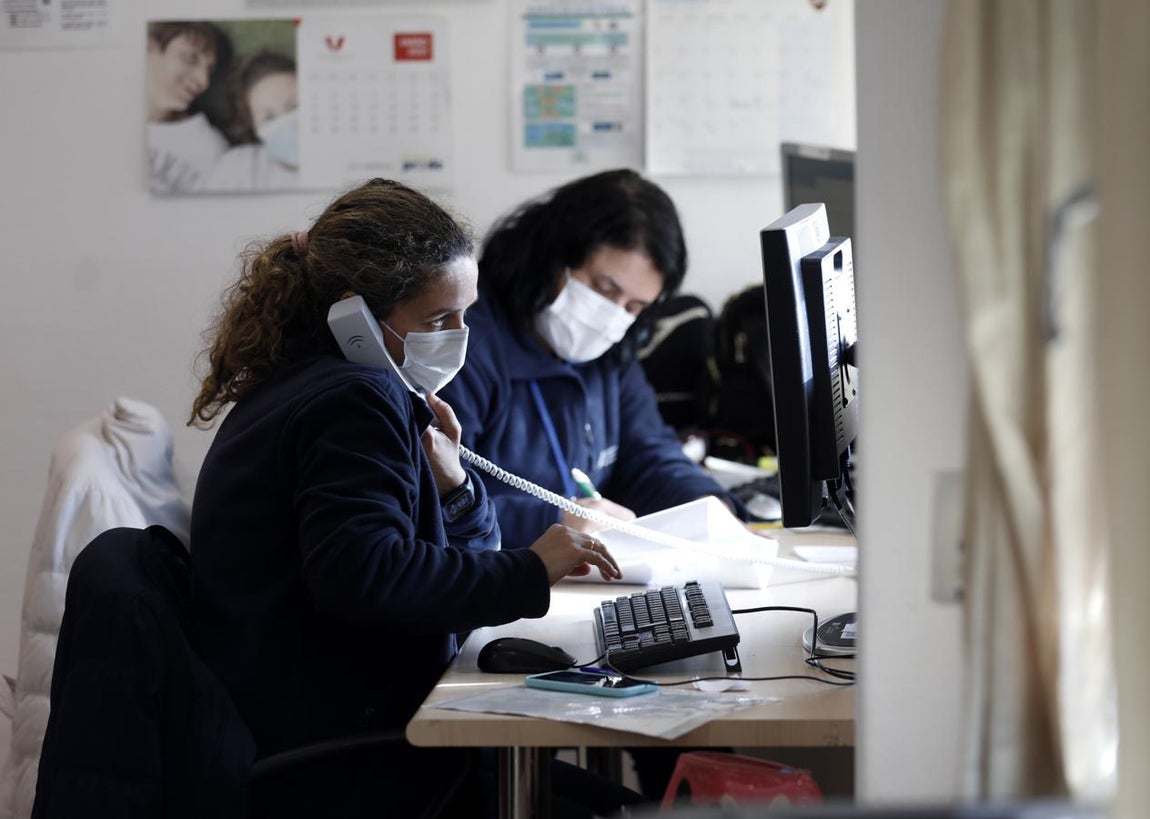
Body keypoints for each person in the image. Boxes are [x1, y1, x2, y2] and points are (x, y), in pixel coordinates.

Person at [187, 178, 643, 819]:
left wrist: (456, 487)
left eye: (467, 314)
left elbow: (428, 559)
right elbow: (363, 575)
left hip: (340, 728)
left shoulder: (307, 384)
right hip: (347, 762)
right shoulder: (350, 402)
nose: (460, 335)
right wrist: (531, 567)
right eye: (437, 319)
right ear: (353, 319)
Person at [437, 168, 746, 798]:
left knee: (698, 688)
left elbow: (651, 455)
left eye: (635, 307)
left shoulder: (608, 355)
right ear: (555, 257)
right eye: (605, 290)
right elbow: (439, 505)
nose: (613, 317)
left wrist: (723, 518)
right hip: (495, 614)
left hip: (582, 603)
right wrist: (559, 524)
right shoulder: (470, 347)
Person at [146, 21, 233, 193]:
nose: (204, 81)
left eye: (210, 71)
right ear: (150, 47)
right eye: (192, 58)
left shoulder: (208, 148)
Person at [200, 50, 300, 192]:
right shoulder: (237, 167)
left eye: (294, 106)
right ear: (253, 125)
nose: (284, 121)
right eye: (268, 117)